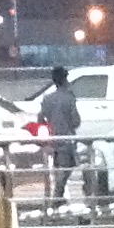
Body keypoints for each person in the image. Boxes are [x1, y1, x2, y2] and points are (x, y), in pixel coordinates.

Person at [34, 65, 82, 205]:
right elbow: (76, 121)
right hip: (67, 140)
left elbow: (40, 117)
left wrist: (46, 130)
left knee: (57, 169)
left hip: (53, 139)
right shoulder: (69, 98)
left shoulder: (47, 99)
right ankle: (57, 196)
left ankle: (58, 197)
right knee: (66, 168)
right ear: (65, 79)